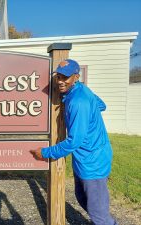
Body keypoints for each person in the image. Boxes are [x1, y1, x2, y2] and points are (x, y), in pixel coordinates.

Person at [30, 59, 117, 225]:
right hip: (87, 158)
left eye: (66, 77)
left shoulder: (78, 102)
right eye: (59, 76)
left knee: (98, 213)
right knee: (83, 198)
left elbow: (73, 142)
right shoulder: (81, 91)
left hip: (93, 162)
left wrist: (45, 153)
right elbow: (102, 105)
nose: (61, 81)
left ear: (76, 76)